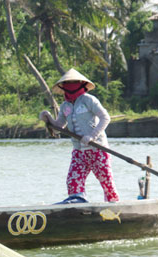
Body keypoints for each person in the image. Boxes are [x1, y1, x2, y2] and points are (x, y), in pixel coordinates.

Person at [39, 68, 119, 203]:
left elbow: (105, 118)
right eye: (68, 84)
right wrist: (48, 119)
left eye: (74, 83)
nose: (70, 86)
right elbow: (59, 128)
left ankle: (114, 207)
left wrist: (92, 136)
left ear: (81, 84)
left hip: (97, 149)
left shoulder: (89, 100)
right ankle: (78, 203)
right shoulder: (65, 106)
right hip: (79, 152)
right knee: (73, 180)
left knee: (106, 182)